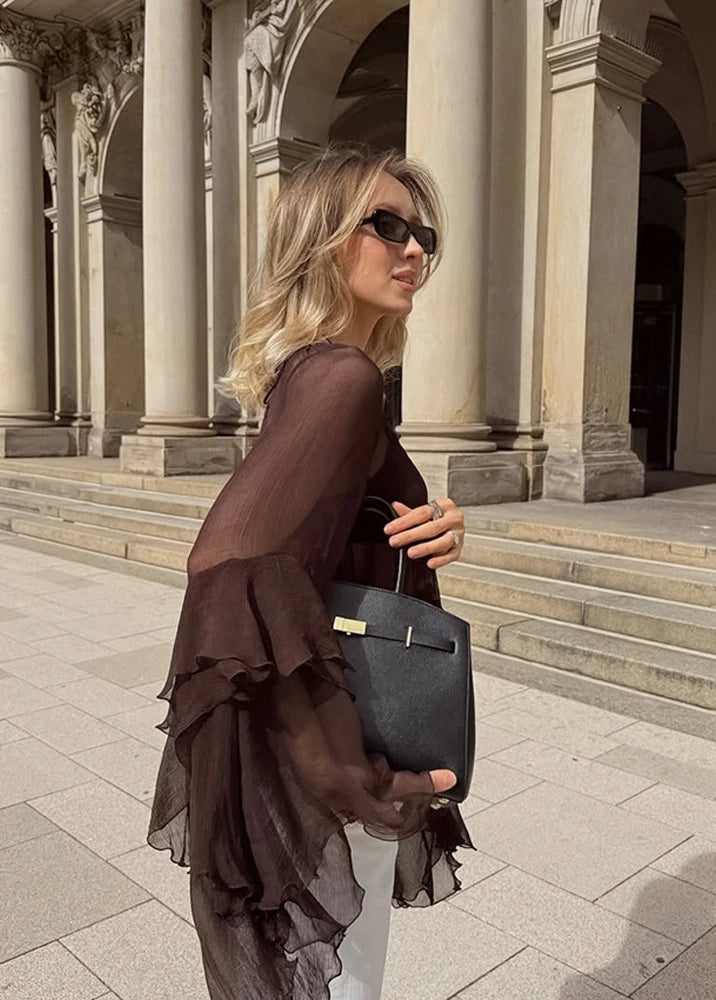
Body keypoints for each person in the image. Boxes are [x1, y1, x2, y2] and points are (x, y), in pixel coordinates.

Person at [148, 145, 473, 1000]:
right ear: (320, 239)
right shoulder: (343, 377)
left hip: (309, 732)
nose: (414, 250)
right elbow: (230, 564)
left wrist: (420, 523)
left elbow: (309, 538)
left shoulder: (309, 372)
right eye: (386, 225)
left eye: (423, 233)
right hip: (331, 748)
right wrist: (348, 775)